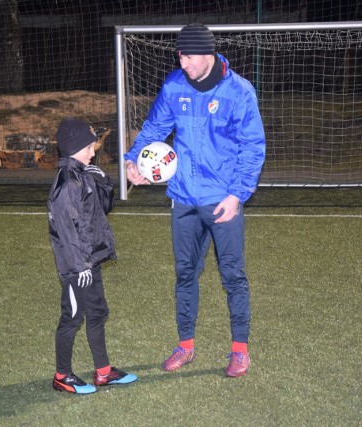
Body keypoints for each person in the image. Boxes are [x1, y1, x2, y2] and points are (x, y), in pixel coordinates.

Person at [124, 23, 266, 377]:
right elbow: (155, 128)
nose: (182, 61)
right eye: (179, 56)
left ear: (206, 53)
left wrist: (237, 195)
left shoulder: (239, 92)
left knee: (232, 274)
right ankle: (185, 346)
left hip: (222, 201)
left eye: (186, 56)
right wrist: (134, 160)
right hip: (184, 198)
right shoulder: (175, 85)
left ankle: (239, 350)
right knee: (185, 273)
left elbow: (253, 147)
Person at [48, 117, 137, 394]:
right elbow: (67, 231)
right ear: (76, 147)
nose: (94, 150)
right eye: (90, 145)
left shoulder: (84, 174)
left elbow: (102, 211)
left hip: (91, 259)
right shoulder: (66, 184)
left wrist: (104, 183)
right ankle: (62, 376)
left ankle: (103, 372)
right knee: (72, 317)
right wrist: (80, 266)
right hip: (78, 266)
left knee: (98, 312)